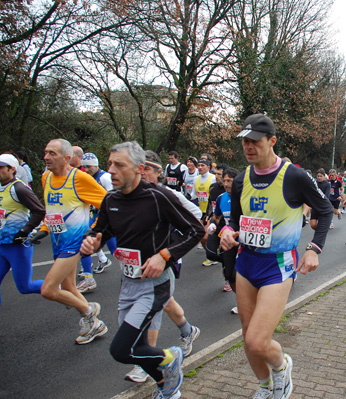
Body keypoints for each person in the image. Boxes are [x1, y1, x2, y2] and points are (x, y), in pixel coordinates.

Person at [220, 114, 333, 399]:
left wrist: (313, 249)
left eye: (254, 141)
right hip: (246, 263)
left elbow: (326, 209)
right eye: (244, 141)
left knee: (258, 341)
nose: (248, 147)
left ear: (271, 141)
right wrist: (228, 231)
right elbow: (236, 219)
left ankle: (282, 368)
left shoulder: (293, 175)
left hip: (278, 265)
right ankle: (265, 386)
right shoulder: (241, 178)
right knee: (248, 338)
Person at [80, 141, 204, 399]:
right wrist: (93, 241)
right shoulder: (111, 199)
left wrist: (164, 255)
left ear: (138, 169)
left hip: (156, 283)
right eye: (110, 163)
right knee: (137, 346)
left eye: (119, 165)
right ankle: (167, 388)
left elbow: (195, 230)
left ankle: (171, 357)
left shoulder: (159, 197)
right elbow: (102, 231)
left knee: (121, 350)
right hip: (128, 281)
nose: (111, 170)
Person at [123, 150, 203, 384]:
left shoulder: (169, 194)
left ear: (159, 172)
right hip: (137, 263)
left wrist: (171, 246)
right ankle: (189, 331)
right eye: (140, 167)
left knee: (153, 306)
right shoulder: (129, 195)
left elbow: (196, 216)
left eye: (147, 168)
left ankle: (145, 363)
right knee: (166, 303)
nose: (143, 172)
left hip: (164, 259)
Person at [28, 139, 108, 344]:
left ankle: (89, 313)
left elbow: (108, 204)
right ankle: (94, 325)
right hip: (57, 240)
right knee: (70, 288)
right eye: (45, 152)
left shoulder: (79, 178)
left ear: (66, 158)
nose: (46, 157)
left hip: (75, 242)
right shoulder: (45, 178)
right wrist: (44, 229)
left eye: (52, 153)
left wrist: (93, 231)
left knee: (49, 290)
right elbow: (52, 209)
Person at [0, 154, 45, 306]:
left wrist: (25, 230)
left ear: (12, 169)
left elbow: (39, 211)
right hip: (1, 245)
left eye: (1, 167)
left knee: (25, 287)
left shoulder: (19, 188)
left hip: (17, 246)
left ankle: (58, 289)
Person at [78, 153, 117, 291]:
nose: (86, 169)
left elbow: (114, 197)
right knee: (86, 240)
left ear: (96, 165)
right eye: (84, 167)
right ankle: (89, 275)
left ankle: (134, 268)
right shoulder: (85, 178)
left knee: (114, 248)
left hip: (107, 217)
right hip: (93, 215)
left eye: (88, 166)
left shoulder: (105, 178)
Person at [207, 167, 239, 310]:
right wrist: (213, 225)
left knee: (241, 275)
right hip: (229, 242)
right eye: (224, 181)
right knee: (230, 276)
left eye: (230, 181)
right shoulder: (221, 198)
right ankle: (242, 300)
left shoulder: (244, 197)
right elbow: (217, 217)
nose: (226, 184)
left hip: (243, 242)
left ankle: (246, 302)